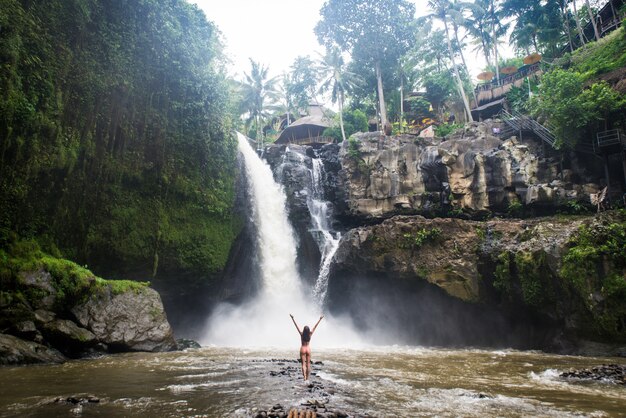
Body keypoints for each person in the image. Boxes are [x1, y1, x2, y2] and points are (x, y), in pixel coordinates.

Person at [289, 314, 323, 381]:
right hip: (308, 349)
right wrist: (320, 319)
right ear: (308, 330)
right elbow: (315, 326)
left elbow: (296, 326)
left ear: (304, 330)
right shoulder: (310, 334)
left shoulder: (301, 334)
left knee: (303, 364)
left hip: (303, 348)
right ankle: (307, 378)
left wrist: (292, 318)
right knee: (308, 364)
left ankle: (304, 378)